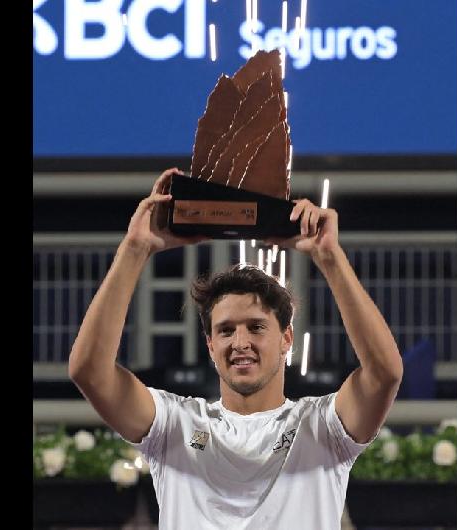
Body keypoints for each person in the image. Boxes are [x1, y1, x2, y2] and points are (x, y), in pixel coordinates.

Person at [69, 168, 403, 529]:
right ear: (210, 346)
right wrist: (136, 248)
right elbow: (89, 371)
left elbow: (385, 374)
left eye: (256, 327)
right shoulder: (174, 426)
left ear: (286, 339)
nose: (240, 343)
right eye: (226, 331)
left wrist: (329, 258)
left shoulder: (323, 428)